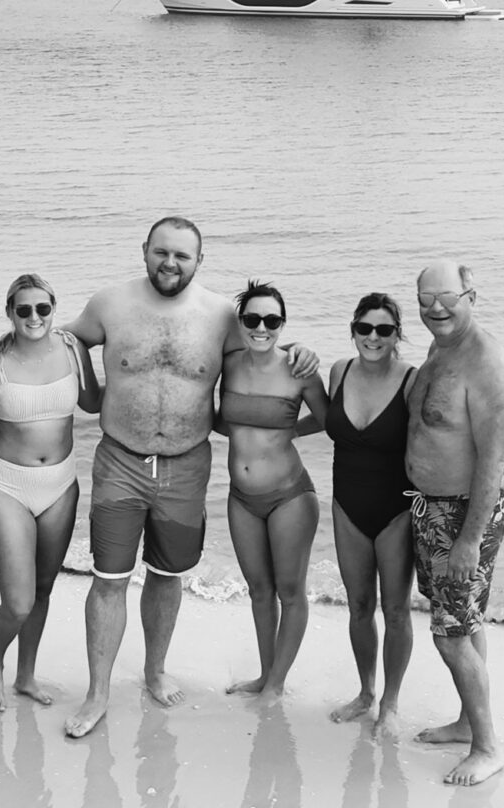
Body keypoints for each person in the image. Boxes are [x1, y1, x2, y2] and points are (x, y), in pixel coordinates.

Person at [59, 216, 317, 738]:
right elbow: (62, 337)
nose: (169, 263)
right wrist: (88, 394)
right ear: (145, 251)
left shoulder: (223, 314)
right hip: (120, 462)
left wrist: (303, 358)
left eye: (181, 255)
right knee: (108, 579)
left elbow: (262, 353)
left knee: (166, 572)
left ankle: (154, 671)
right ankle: (97, 694)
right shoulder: (110, 303)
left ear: (201, 260)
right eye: (161, 252)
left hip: (187, 465)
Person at [405, 259, 504, 786]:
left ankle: (488, 746)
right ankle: (466, 722)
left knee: (450, 637)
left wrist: (469, 539)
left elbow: (493, 460)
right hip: (431, 510)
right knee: (464, 625)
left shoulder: (486, 362)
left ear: (472, 294)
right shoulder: (439, 347)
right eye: (426, 298)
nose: (435, 307)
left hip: (462, 516)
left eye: (446, 296)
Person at [0, 273, 100, 712]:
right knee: (18, 600)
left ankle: (25, 675)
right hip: (7, 484)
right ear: (9, 312)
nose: (34, 317)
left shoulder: (72, 349)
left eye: (42, 308)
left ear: (53, 309)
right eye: (23, 309)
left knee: (44, 589)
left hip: (61, 485)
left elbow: (94, 403)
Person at [215, 280, 330, 704]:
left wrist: (289, 431)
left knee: (289, 591)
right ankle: (265, 676)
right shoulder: (227, 363)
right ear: (240, 323)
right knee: (258, 591)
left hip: (290, 496)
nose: (261, 327)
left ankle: (277, 684)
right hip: (240, 498)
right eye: (252, 319)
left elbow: (331, 421)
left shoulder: (299, 369)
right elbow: (215, 419)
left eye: (272, 320)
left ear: (283, 324)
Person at [324, 292, 417, 737]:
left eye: (384, 329)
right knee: (359, 606)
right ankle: (365, 694)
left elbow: (443, 429)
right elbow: (313, 416)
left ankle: (392, 704)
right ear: (353, 330)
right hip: (347, 506)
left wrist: (499, 455)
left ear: (398, 335)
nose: (373, 337)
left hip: (396, 508)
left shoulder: (413, 380)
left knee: (396, 610)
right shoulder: (339, 371)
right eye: (365, 328)